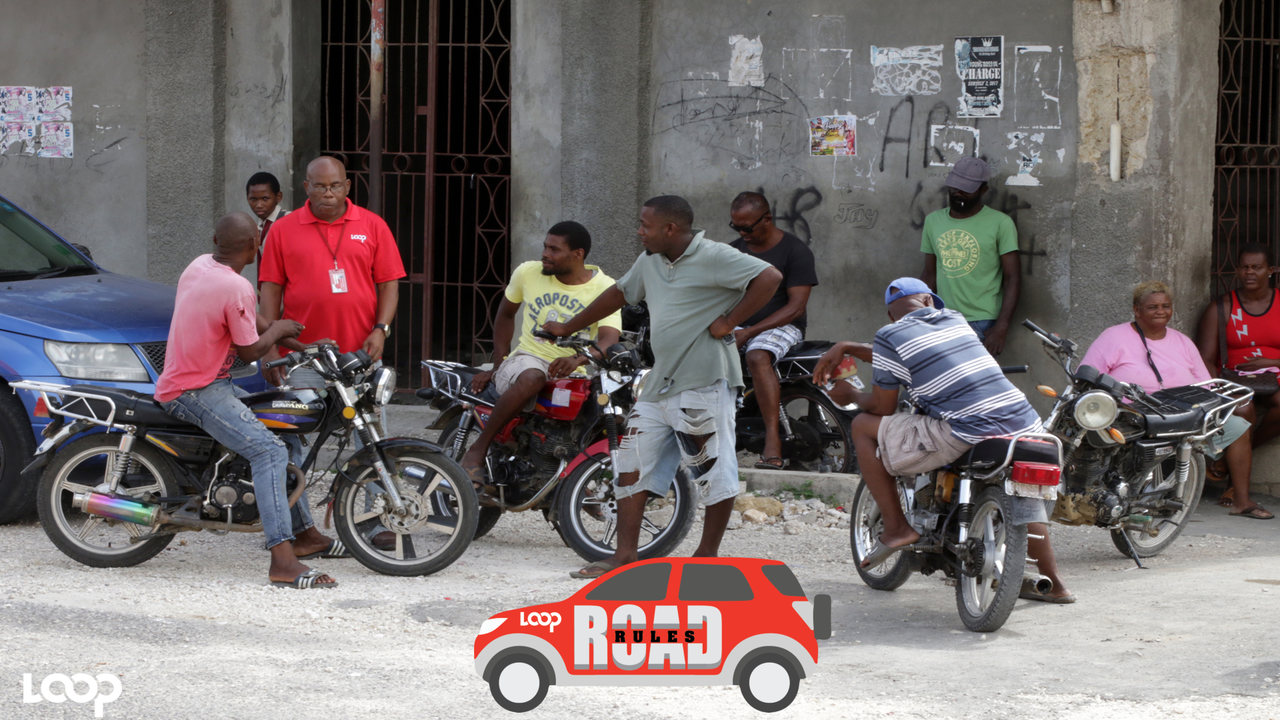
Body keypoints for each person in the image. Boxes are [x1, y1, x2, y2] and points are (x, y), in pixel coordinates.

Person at [543, 195, 781, 579]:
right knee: (631, 463)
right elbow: (620, 293)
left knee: (712, 468)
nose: (639, 231)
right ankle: (624, 555)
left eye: (645, 225)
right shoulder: (651, 262)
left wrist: (732, 320)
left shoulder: (714, 255)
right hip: (660, 382)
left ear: (670, 228)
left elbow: (770, 277)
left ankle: (706, 556)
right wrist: (569, 326)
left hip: (705, 380)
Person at [814, 277, 1073, 602]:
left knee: (863, 425)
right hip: (1026, 424)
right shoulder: (954, 319)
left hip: (967, 429)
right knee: (1025, 498)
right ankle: (1057, 584)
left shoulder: (890, 335)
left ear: (892, 316)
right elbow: (917, 351)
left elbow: (884, 406)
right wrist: (850, 347)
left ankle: (896, 527)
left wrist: (850, 393)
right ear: (928, 302)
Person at [155, 212, 340, 589]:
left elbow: (251, 321)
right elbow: (248, 351)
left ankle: (304, 534)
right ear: (256, 246)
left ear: (214, 240)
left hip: (210, 382)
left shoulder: (199, 266)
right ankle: (282, 561)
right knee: (269, 451)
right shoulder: (235, 285)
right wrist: (281, 328)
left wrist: (305, 348)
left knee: (286, 434)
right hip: (194, 390)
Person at [461, 221, 623, 485]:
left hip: (574, 371)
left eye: (554, 249)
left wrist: (577, 360)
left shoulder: (604, 287)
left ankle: (579, 483)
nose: (545, 254)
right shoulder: (528, 272)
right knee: (533, 377)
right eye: (545, 247)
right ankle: (477, 450)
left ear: (578, 254)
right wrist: (498, 364)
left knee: (606, 413)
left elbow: (608, 340)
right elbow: (505, 315)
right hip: (527, 360)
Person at [258, 156, 406, 380]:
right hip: (302, 356)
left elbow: (388, 285)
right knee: (307, 415)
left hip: (361, 353)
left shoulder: (374, 225)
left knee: (362, 416)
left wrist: (381, 330)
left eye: (335, 185)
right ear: (307, 187)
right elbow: (271, 288)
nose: (328, 193)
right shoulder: (282, 230)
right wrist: (269, 347)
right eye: (320, 186)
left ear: (347, 186)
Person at [727, 191, 819, 469]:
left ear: (767, 219)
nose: (742, 233)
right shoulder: (733, 251)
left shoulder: (795, 251)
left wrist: (749, 331)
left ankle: (772, 441)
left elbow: (796, 307)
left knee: (757, 356)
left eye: (747, 227)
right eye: (736, 227)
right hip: (741, 326)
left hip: (783, 326)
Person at [920, 156, 1020, 355]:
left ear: (983, 190)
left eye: (967, 189)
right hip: (943, 317)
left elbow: (1012, 278)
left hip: (982, 321)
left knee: (972, 384)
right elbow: (929, 274)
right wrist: (923, 316)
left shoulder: (1001, 223)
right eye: (955, 187)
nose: (959, 193)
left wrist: (1001, 327)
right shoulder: (933, 222)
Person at [1197, 244, 1280, 465]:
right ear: (1237, 270)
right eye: (1244, 267)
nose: (1249, 272)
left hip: (1276, 378)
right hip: (1233, 380)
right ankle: (1235, 480)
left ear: (1271, 270)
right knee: (1243, 409)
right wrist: (1220, 391)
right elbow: (1204, 358)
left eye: (1257, 267)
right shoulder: (1221, 307)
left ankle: (1233, 457)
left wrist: (1271, 362)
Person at [245, 171, 288, 247]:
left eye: (265, 198)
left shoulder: (289, 221)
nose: (259, 205)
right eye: (253, 199)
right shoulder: (260, 226)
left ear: (278, 197)